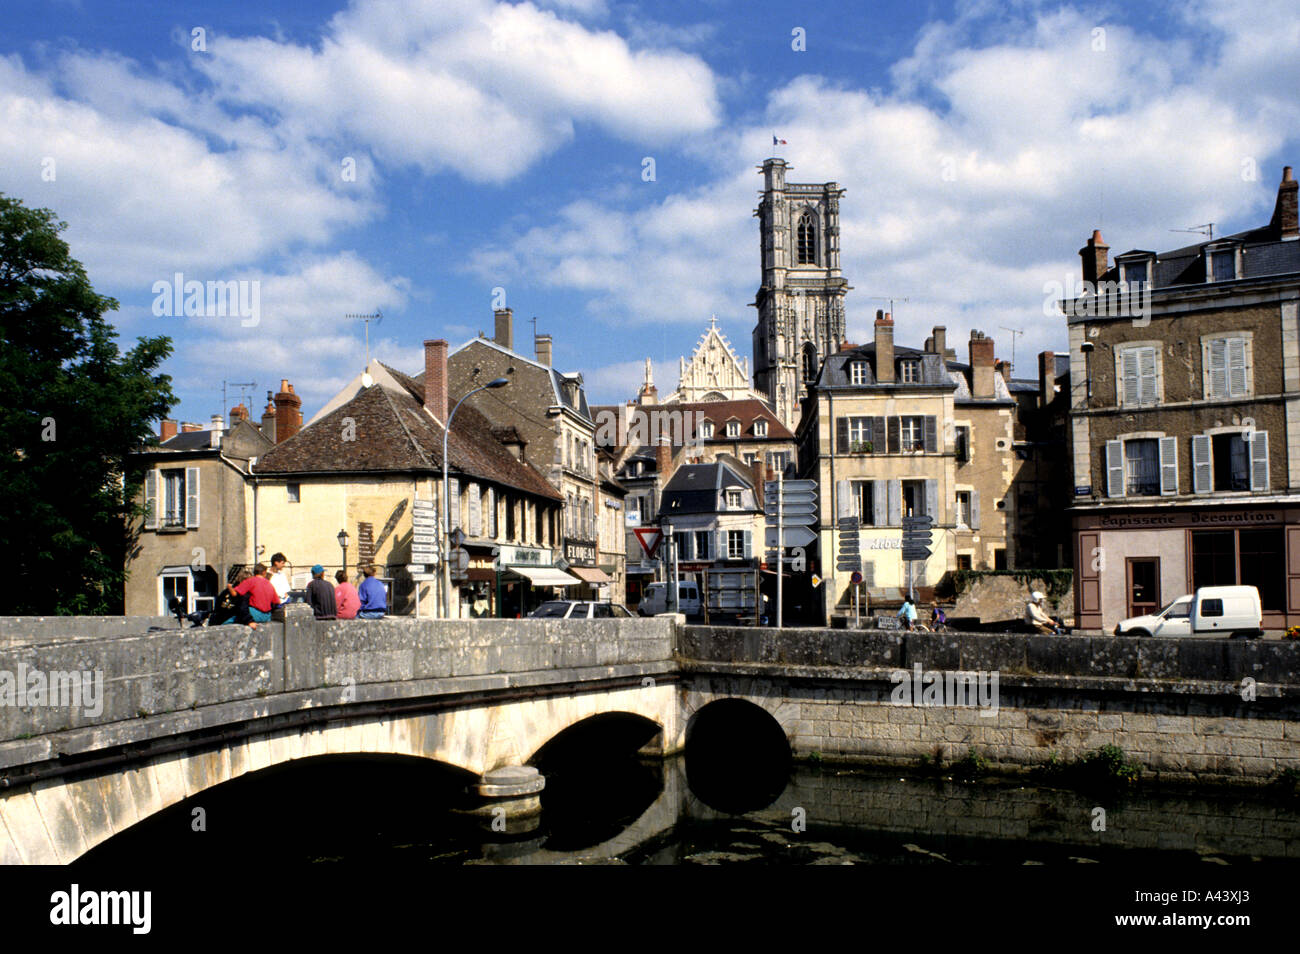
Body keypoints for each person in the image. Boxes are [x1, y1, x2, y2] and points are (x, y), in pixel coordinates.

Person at [232, 562, 279, 628]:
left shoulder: (250, 581)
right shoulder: (269, 584)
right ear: (264, 572)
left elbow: (237, 592)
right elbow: (276, 602)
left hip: (254, 614)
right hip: (267, 617)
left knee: (228, 620)